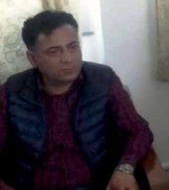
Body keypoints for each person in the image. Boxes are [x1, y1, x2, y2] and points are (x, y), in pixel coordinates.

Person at [0, 10, 154, 190]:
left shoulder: (103, 79)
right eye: (54, 51)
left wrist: (124, 168)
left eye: (73, 46)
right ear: (33, 58)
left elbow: (138, 130)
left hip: (99, 183)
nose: (68, 58)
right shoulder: (12, 92)